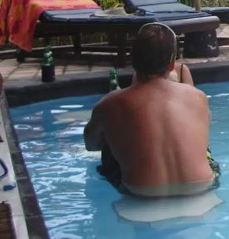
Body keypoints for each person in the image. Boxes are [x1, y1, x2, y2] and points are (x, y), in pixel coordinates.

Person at [84, 22, 218, 197]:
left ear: (133, 59)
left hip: (140, 191)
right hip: (202, 184)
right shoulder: (198, 97)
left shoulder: (109, 103)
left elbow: (91, 145)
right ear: (172, 65)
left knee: (108, 141)